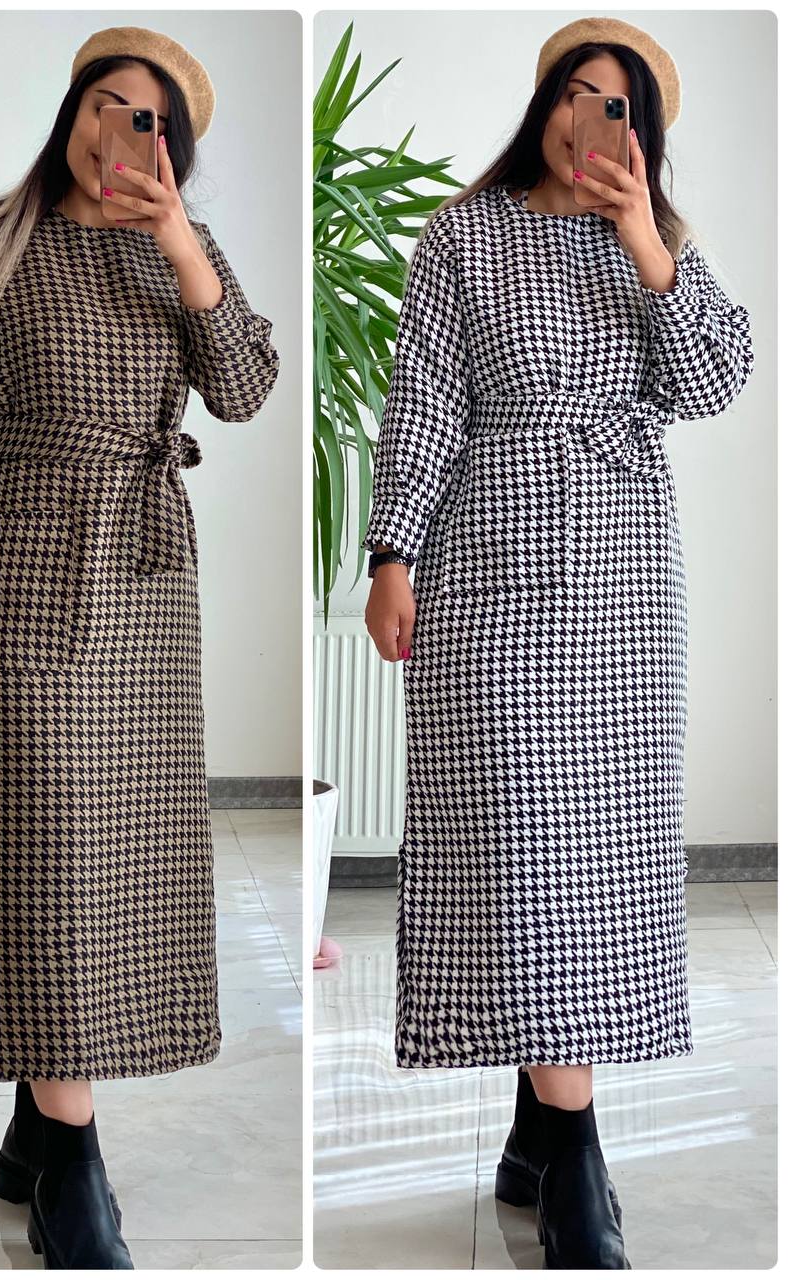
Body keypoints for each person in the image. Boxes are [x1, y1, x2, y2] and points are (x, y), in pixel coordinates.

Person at [0, 25, 279, 1270]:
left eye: (150, 119)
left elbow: (246, 389)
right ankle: (76, 1162)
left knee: (103, 866)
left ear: (173, 147)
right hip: (2, 568)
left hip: (140, 584)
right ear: (74, 112)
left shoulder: (183, 250)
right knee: (33, 854)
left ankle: (34, 1138)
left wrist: (179, 245)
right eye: (107, 102)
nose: (122, 132)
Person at [361, 16, 754, 1269]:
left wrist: (645, 243)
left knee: (595, 858)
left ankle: (541, 1134)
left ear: (644, 133)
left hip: (625, 579)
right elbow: (425, 396)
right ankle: (574, 1153)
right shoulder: (465, 235)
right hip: (489, 562)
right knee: (520, 849)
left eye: (621, 104)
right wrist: (392, 551)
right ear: (547, 106)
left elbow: (714, 382)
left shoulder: (662, 243)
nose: (596, 118)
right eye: (580, 92)